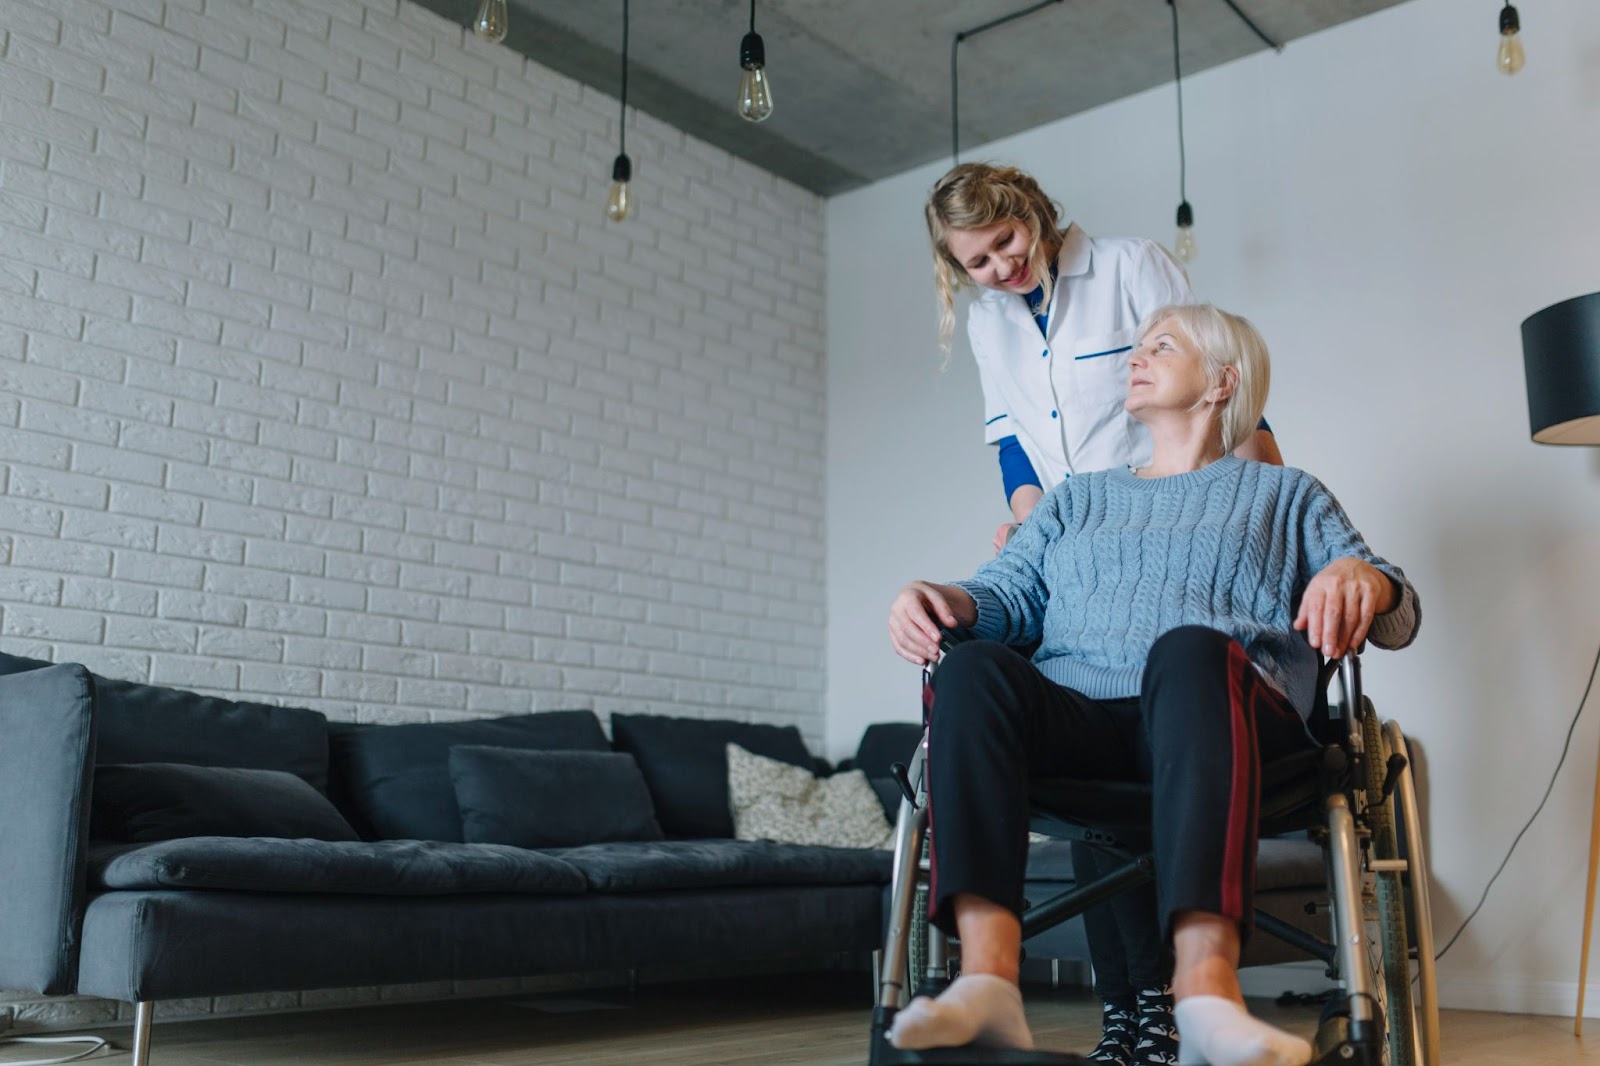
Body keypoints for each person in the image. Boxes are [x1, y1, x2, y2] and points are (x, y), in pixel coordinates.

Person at [883, 305, 1420, 1066]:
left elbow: (1397, 616)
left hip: (1219, 713)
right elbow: (1001, 597)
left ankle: (1205, 996)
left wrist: (1363, 576)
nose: (1136, 357)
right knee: (972, 665)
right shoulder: (1075, 498)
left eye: (1161, 346)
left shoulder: (1286, 494)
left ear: (1221, 381)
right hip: (1084, 724)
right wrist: (941, 597)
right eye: (1136, 346)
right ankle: (989, 981)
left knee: (1190, 650)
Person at [927, 162, 1287, 1064]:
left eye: (1007, 243)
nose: (1000, 268)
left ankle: (1175, 1001)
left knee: (1162, 708)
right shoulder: (987, 322)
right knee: (1079, 720)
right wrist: (1025, 529)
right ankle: (1129, 1012)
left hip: (1173, 533)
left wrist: (1262, 500)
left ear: (1033, 216)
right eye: (976, 261)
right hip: (1074, 549)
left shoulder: (1130, 267)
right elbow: (1009, 437)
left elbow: (1201, 362)